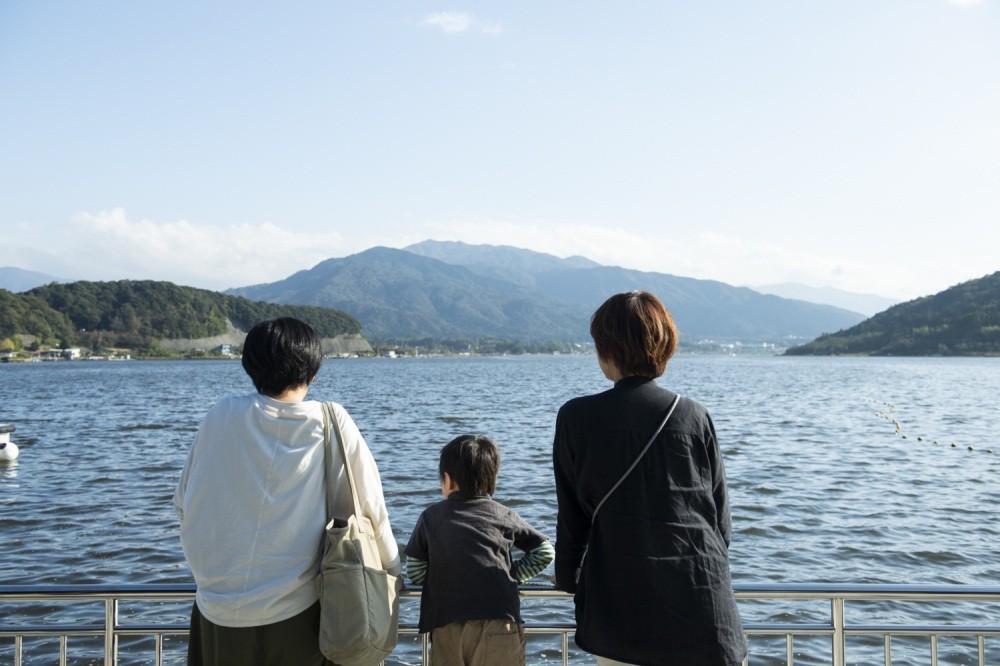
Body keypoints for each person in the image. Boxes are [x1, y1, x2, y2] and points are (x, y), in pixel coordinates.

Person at [174, 317, 400, 666]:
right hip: (299, 614)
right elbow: (369, 510)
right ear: (312, 372)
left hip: (216, 611)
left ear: (251, 368)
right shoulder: (329, 419)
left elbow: (183, 504)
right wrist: (393, 573)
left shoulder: (219, 415)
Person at [552, 291, 746, 666]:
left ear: (606, 349)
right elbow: (720, 523)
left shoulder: (577, 417)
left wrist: (571, 580)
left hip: (624, 613)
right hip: (706, 608)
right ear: (664, 346)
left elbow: (571, 519)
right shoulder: (693, 415)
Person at [404, 434, 556, 665]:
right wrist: (510, 576)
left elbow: (415, 570)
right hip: (499, 619)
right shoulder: (504, 514)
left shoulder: (431, 516)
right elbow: (545, 552)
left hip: (446, 624)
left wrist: (444, 578)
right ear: (492, 480)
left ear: (449, 480)